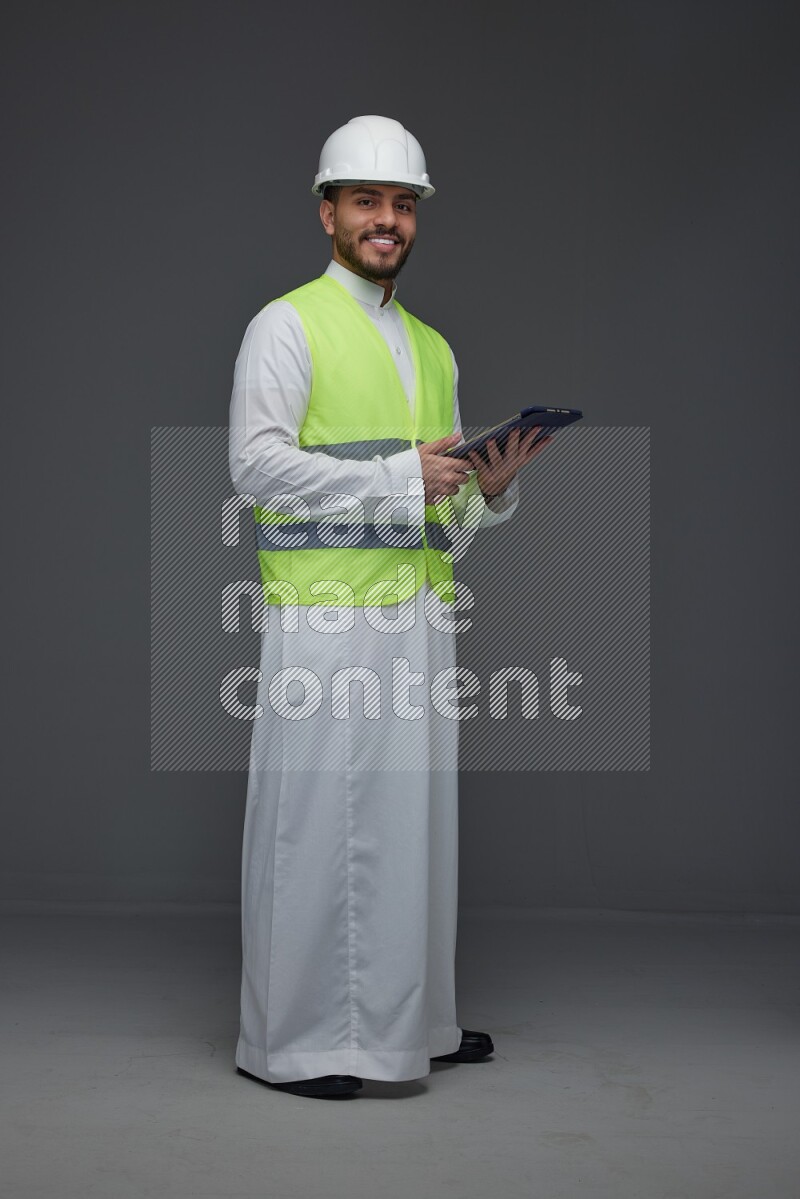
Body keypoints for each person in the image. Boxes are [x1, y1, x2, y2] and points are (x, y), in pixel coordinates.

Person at [228, 115, 551, 1099]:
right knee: (314, 827)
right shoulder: (285, 325)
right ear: (326, 210)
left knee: (413, 829)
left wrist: (490, 485)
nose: (386, 220)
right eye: (366, 200)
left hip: (415, 614)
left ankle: (415, 1023)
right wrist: (397, 472)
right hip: (323, 617)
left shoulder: (432, 346)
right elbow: (254, 467)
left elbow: (441, 504)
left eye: (401, 205)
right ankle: (293, 1043)